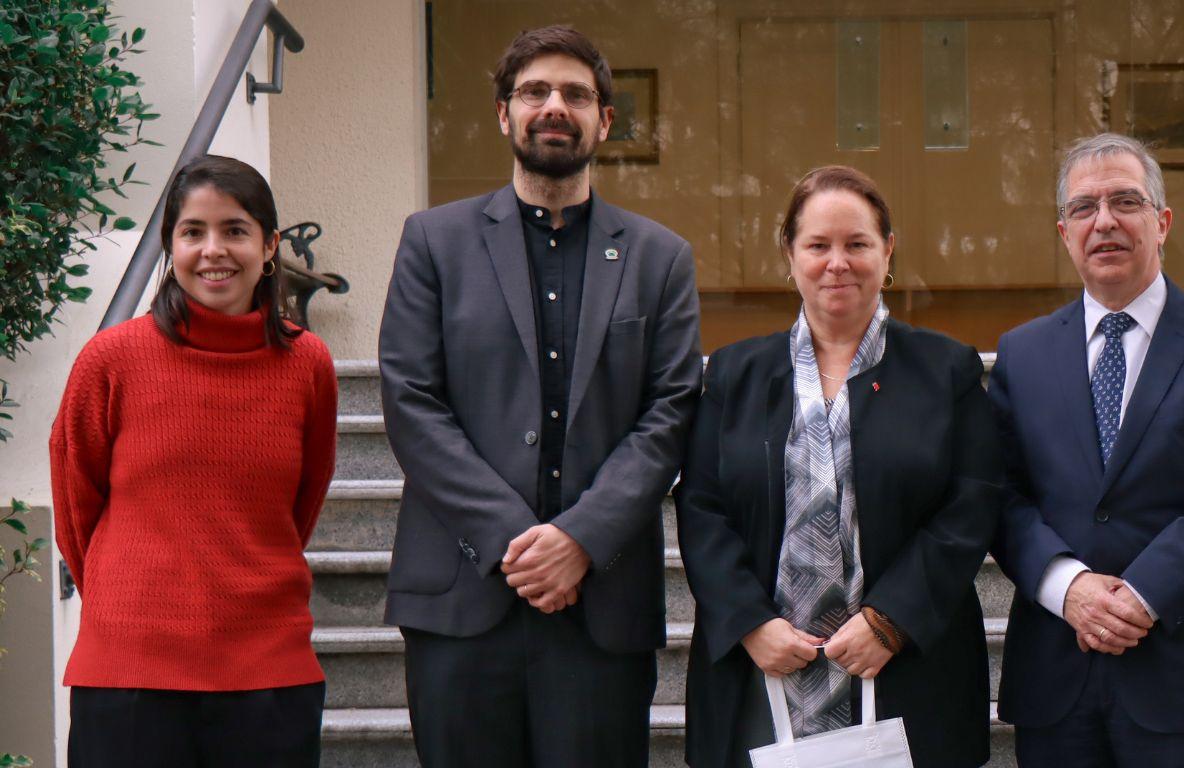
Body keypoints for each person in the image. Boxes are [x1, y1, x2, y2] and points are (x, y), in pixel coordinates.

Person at [377, 25, 702, 767]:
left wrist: (579, 539)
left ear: (604, 120)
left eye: (576, 95)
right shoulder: (433, 241)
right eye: (534, 92)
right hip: (461, 599)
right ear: (504, 114)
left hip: (600, 606)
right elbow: (412, 400)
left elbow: (671, 411)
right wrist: (514, 542)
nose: (555, 106)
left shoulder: (660, 258)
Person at [676, 165, 1001, 767]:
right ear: (789, 254)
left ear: (888, 251)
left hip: (906, 666)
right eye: (818, 245)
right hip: (761, 671)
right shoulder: (735, 374)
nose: (837, 263)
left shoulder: (946, 371)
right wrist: (749, 623)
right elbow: (700, 507)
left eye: (857, 244)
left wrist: (890, 621)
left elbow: (972, 504)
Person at [988, 132, 1184, 767]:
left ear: (1162, 222)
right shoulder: (1022, 353)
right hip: (1056, 675)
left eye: (1125, 201)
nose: (1105, 222)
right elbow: (1000, 495)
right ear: (1064, 232)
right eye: (1084, 208)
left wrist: (1142, 593)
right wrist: (1068, 587)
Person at [50, 154, 336, 767]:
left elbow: (300, 506)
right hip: (129, 676)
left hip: (268, 673)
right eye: (193, 232)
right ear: (170, 244)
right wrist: (132, 601)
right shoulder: (110, 360)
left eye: (235, 230)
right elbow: (76, 509)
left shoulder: (308, 364)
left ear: (269, 246)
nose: (213, 250)